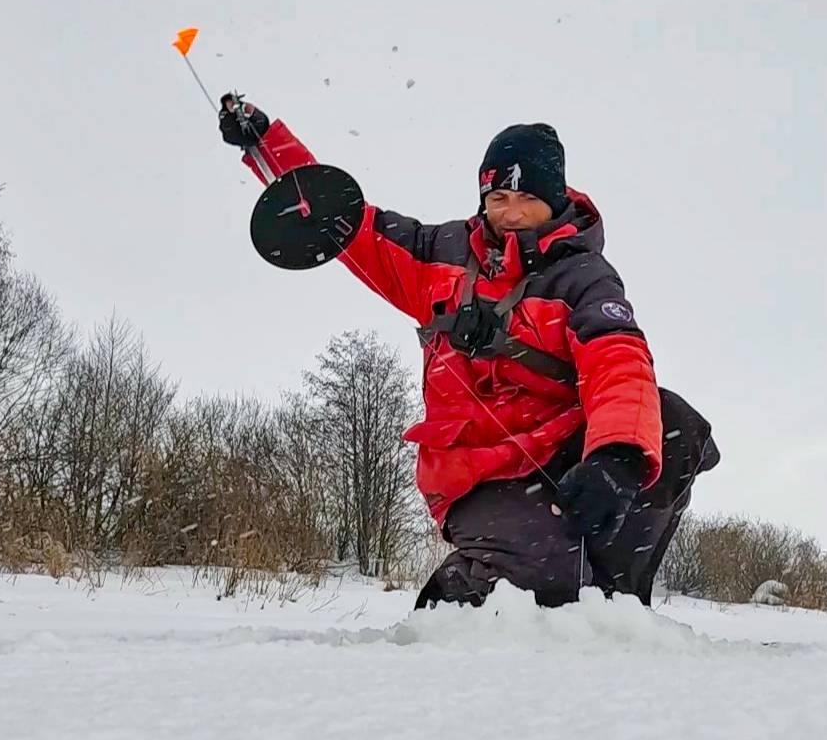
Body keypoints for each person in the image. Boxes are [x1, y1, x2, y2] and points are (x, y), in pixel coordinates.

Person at [219, 96, 718, 608]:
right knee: (547, 573)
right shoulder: (440, 253)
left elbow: (618, 359)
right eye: (498, 197)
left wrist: (616, 458)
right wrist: (264, 145)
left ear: (555, 198)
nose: (511, 213)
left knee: (674, 427)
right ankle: (456, 601)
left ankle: (614, 604)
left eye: (526, 198)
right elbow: (344, 220)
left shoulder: (585, 277)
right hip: (477, 468)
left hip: (558, 448)